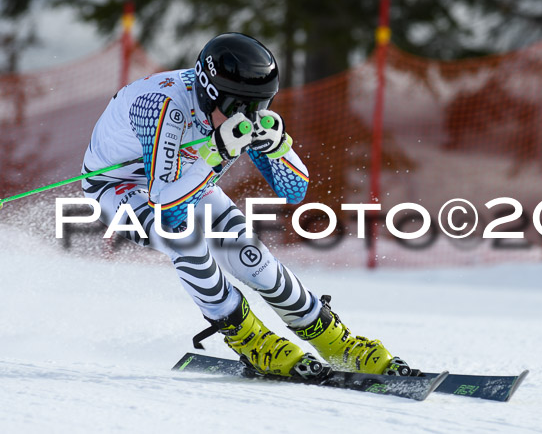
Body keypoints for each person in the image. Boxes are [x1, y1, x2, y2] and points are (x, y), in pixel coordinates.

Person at [82, 32, 410, 378]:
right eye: (239, 107)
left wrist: (278, 147)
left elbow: (295, 190)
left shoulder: (237, 107)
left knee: (251, 258)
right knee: (186, 240)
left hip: (186, 180)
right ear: (210, 94)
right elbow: (167, 212)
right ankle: (246, 336)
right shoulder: (163, 107)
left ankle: (333, 340)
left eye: (261, 105)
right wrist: (217, 155)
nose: (250, 116)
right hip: (119, 187)